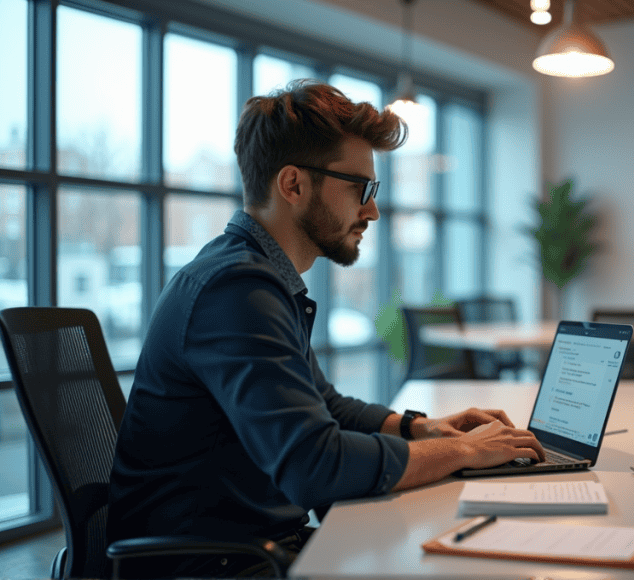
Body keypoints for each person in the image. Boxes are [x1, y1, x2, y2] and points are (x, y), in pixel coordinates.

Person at [108, 79, 544, 578]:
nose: (372, 210)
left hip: (250, 544)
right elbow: (315, 467)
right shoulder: (236, 291)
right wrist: (463, 450)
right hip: (214, 564)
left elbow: (327, 406)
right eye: (361, 188)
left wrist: (423, 428)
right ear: (293, 185)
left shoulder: (257, 279)